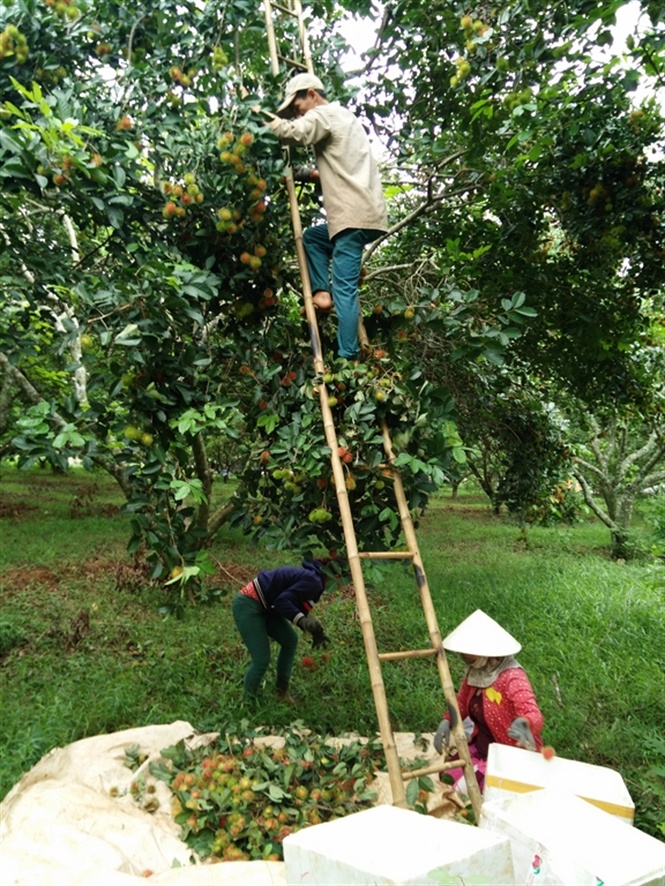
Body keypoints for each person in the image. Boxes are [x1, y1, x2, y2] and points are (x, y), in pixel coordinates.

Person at [265, 72, 388, 360]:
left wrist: (261, 116)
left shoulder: (323, 114)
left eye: (297, 107)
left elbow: (291, 134)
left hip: (351, 218)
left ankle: (349, 356)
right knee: (313, 239)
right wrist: (301, 174)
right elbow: (332, 170)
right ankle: (322, 293)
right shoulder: (344, 118)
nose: (299, 114)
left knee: (345, 290)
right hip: (365, 214)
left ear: (311, 94)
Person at [433, 609, 544, 792]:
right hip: (483, 746)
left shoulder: (512, 677)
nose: (465, 658)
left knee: (467, 790)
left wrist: (525, 723)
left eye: (469, 654)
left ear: (486, 653)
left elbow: (532, 712)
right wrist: (447, 721)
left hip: (509, 756)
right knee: (447, 775)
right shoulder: (476, 673)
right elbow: (461, 703)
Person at [232, 558, 330, 702]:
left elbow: (294, 605)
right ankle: (247, 703)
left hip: (268, 608)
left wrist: (315, 630)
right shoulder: (314, 581)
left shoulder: (315, 580)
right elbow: (282, 601)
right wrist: (303, 621)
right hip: (249, 605)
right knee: (261, 660)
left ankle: (281, 693)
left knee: (290, 640)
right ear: (337, 576)